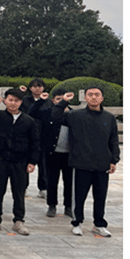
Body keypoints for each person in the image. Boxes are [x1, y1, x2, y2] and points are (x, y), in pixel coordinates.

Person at [54, 87, 120, 237]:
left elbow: (113, 140)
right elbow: (56, 117)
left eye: (97, 95)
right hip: (80, 163)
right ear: (85, 98)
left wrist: (114, 160)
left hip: (102, 164)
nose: (94, 97)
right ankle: (77, 222)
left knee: (100, 196)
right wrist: (63, 101)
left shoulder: (109, 118)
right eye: (90, 95)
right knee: (79, 196)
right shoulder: (75, 115)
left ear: (102, 98)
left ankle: (99, 224)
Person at [0, 89, 40, 235]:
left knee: (19, 192)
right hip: (0, 160)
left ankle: (19, 221)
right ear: (5, 101)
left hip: (20, 162)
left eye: (16, 101)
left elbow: (35, 143)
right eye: (10, 100)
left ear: (21, 102)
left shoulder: (28, 121)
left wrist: (32, 161)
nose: (13, 103)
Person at [33, 87, 73, 217]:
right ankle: (52, 205)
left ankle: (68, 206)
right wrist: (40, 101)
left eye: (64, 99)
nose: (61, 101)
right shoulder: (48, 113)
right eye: (58, 99)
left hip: (69, 154)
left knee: (69, 182)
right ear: (53, 100)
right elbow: (32, 113)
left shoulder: (73, 114)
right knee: (51, 180)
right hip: (52, 153)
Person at [19, 79, 49, 197]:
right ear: (30, 88)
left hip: (43, 135)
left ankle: (43, 187)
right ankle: (23, 186)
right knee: (25, 162)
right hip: (27, 134)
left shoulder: (48, 101)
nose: (37, 88)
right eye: (34, 86)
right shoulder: (25, 100)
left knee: (43, 163)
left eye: (39, 86)